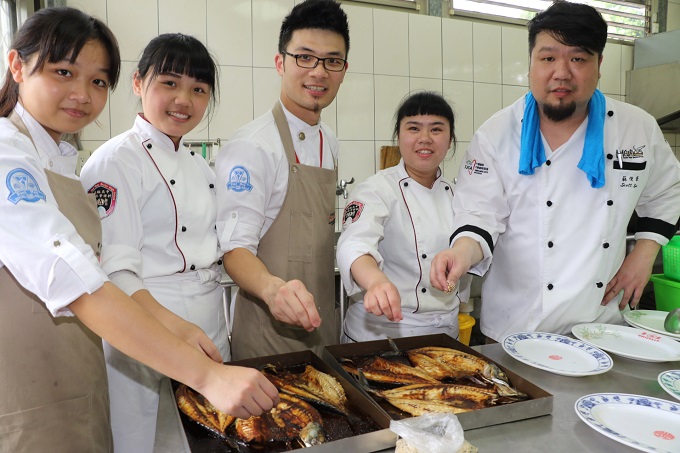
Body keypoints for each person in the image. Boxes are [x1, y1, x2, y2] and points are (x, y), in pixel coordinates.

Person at [0, 8, 277, 452]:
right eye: (64, 72)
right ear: (17, 66)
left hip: (147, 338)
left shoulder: (63, 157)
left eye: (96, 81)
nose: (81, 94)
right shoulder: (18, 156)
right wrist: (201, 367)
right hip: (117, 333)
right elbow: (85, 277)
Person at [430, 0, 680, 343]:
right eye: (548, 58)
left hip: (600, 326)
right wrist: (460, 253)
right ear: (531, 62)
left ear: (599, 64)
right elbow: (479, 214)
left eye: (578, 58)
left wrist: (645, 251)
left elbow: (669, 191)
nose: (562, 72)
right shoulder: (497, 134)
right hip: (515, 330)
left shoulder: (636, 129)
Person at [79, 33, 232, 452]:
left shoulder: (200, 166)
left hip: (207, 325)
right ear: (137, 83)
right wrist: (175, 328)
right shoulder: (114, 161)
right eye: (169, 83)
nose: (184, 99)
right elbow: (116, 269)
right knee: (145, 438)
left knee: (205, 437)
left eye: (198, 89)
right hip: (143, 324)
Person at [215, 0, 349, 359]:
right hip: (267, 337)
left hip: (321, 327)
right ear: (280, 63)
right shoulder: (252, 145)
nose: (318, 72)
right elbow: (234, 250)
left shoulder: (329, 140)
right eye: (304, 57)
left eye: (332, 61)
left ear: (343, 70)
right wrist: (273, 291)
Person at [336, 91, 472, 343]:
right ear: (399, 136)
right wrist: (376, 281)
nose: (425, 138)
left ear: (451, 138)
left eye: (436, 129)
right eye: (413, 128)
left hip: (445, 335)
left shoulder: (459, 196)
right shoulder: (376, 189)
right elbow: (354, 244)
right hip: (381, 334)